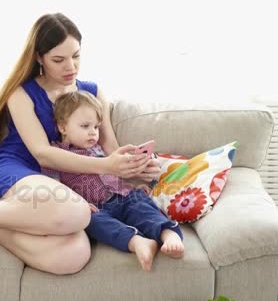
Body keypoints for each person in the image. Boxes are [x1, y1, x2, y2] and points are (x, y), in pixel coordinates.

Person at [0, 12, 162, 275]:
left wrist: (135, 166)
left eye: (76, 55)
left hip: (59, 187)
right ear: (39, 57)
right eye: (58, 60)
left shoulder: (92, 91)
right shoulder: (22, 93)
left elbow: (109, 150)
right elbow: (43, 155)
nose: (70, 67)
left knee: (74, 256)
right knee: (76, 212)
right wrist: (108, 165)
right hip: (16, 172)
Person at [42, 90, 184, 272]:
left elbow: (114, 174)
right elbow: (54, 188)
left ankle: (169, 234)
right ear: (63, 128)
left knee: (142, 206)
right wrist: (78, 204)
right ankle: (137, 242)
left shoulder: (99, 149)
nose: (93, 133)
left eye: (96, 127)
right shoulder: (56, 156)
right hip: (94, 207)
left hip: (123, 195)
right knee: (92, 222)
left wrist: (134, 184)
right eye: (85, 126)